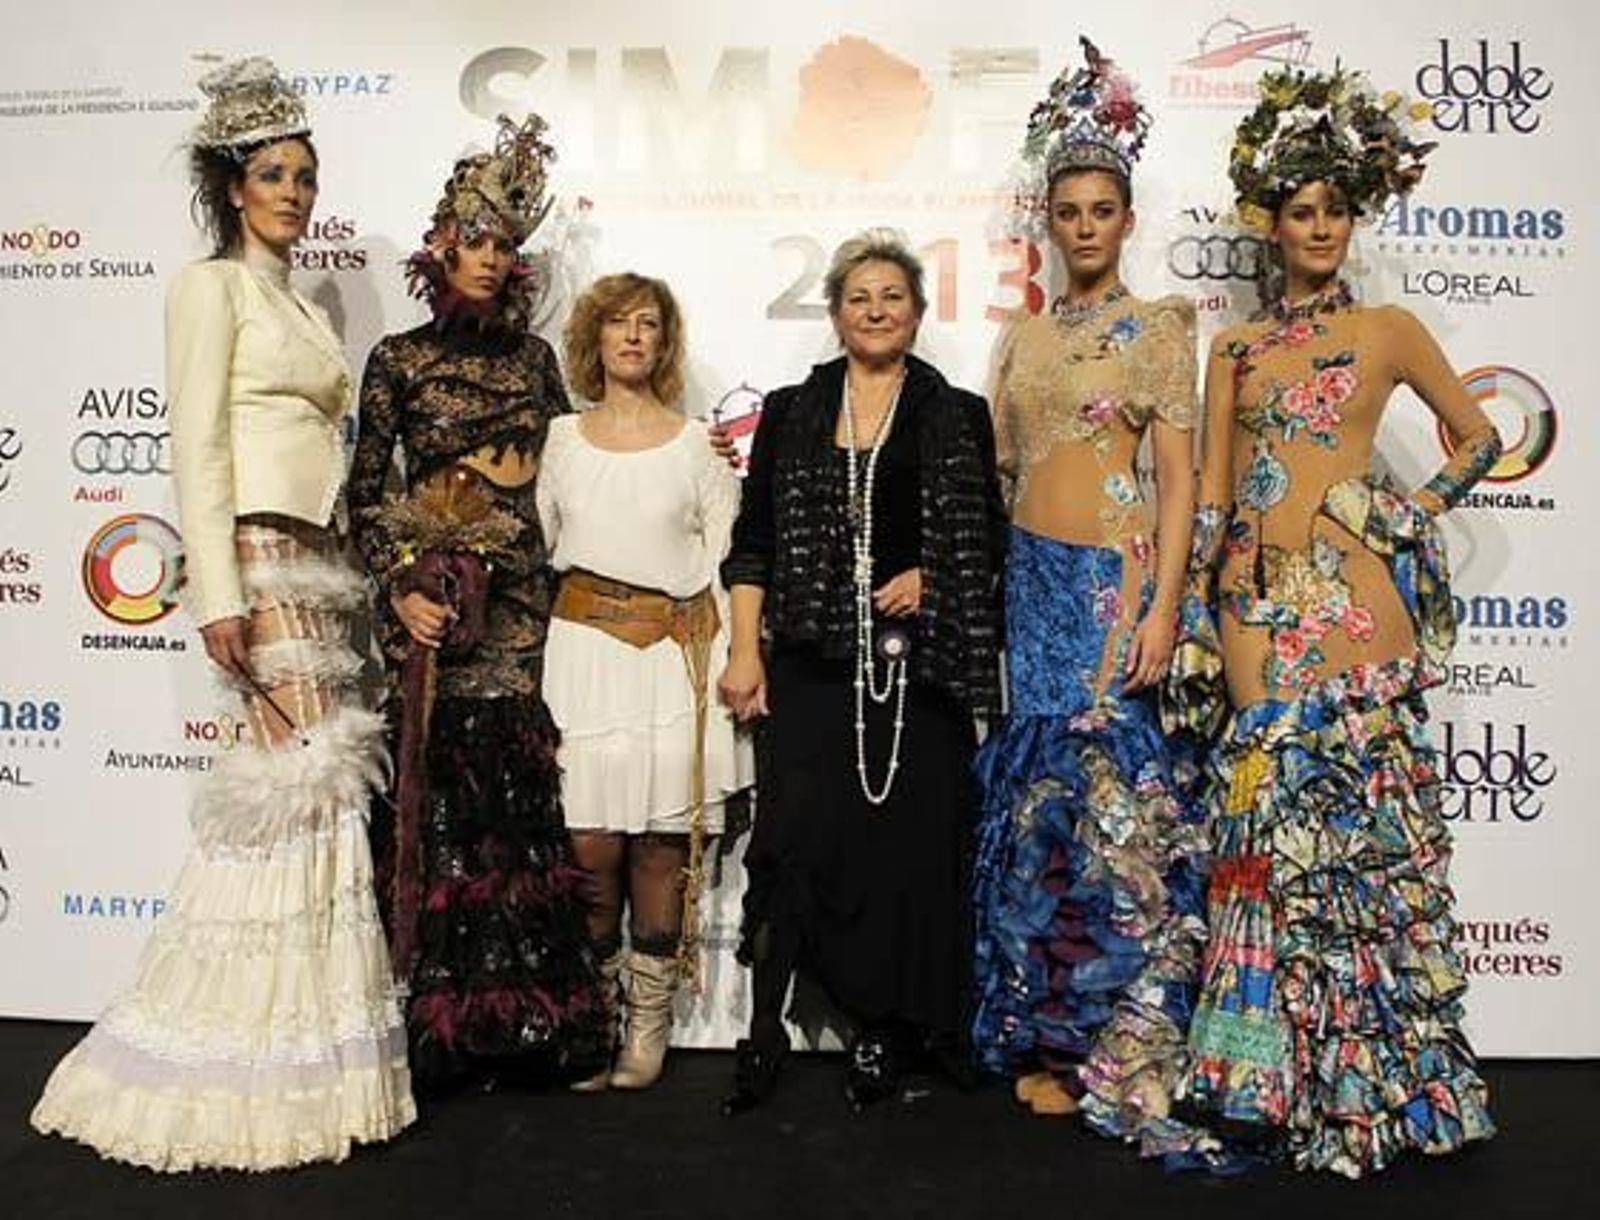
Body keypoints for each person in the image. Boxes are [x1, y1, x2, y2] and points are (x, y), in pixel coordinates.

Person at [31, 58, 414, 1171]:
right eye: (272, 175)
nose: (294, 191)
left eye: (303, 175)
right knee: (294, 781)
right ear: (232, 185)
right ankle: (238, 1049)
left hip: (318, 555)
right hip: (253, 549)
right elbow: (194, 442)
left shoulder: (298, 296)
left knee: (319, 782)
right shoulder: (210, 288)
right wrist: (216, 593)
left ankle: (304, 1045)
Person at [1176, 65, 1499, 1176]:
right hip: (1258, 602)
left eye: (1332, 211)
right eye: (1297, 211)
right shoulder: (1235, 352)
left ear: (1353, 220)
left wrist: (1408, 511)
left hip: (1359, 603)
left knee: (1361, 847)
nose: (1315, 228)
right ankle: (1270, 1080)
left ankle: (1379, 1087)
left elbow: (1481, 437)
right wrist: (1194, 611)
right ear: (1269, 225)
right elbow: (1215, 495)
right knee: (1268, 847)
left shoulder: (1389, 327)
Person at [969, 40, 1213, 1161]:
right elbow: (1008, 472)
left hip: (1117, 587)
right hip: (1035, 588)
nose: (1081, 226)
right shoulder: (1019, 338)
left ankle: (1122, 1041)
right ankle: (1048, 1038)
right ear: (1047, 220)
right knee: (1041, 810)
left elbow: (1181, 481)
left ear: (1125, 218)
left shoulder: (1161, 328)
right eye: (1065, 209)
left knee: (1120, 813)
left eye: (1100, 208)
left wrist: (1165, 607)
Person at [717, 229, 1007, 1114]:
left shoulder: (955, 413)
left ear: (917, 313)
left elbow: (988, 537)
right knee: (795, 845)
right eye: (859, 298)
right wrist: (743, 649)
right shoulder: (794, 410)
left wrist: (934, 574)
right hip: (811, 666)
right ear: (836, 313)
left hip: (919, 676)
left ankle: (885, 1033)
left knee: (906, 857)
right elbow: (754, 541)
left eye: (893, 297)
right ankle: (764, 1031)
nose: (876, 311)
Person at [348, 114, 608, 1091]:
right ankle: (440, 1030)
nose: (491, 259)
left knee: (520, 815)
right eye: (477, 239)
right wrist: (402, 589)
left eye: (507, 244)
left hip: (525, 623)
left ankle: (530, 1025)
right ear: (441, 242)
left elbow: (554, 495)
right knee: (443, 817)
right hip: (437, 629)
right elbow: (365, 498)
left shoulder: (534, 364)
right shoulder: (398, 362)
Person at [536, 272, 754, 1091]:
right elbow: (544, 544)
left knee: (662, 849)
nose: (633, 336)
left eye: (649, 324)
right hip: (584, 653)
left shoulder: (701, 443)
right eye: (619, 323)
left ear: (665, 344)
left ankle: (648, 1030)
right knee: (590, 848)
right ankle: (594, 1021)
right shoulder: (559, 439)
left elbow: (728, 555)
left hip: (673, 657)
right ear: (593, 337)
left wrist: (736, 657)